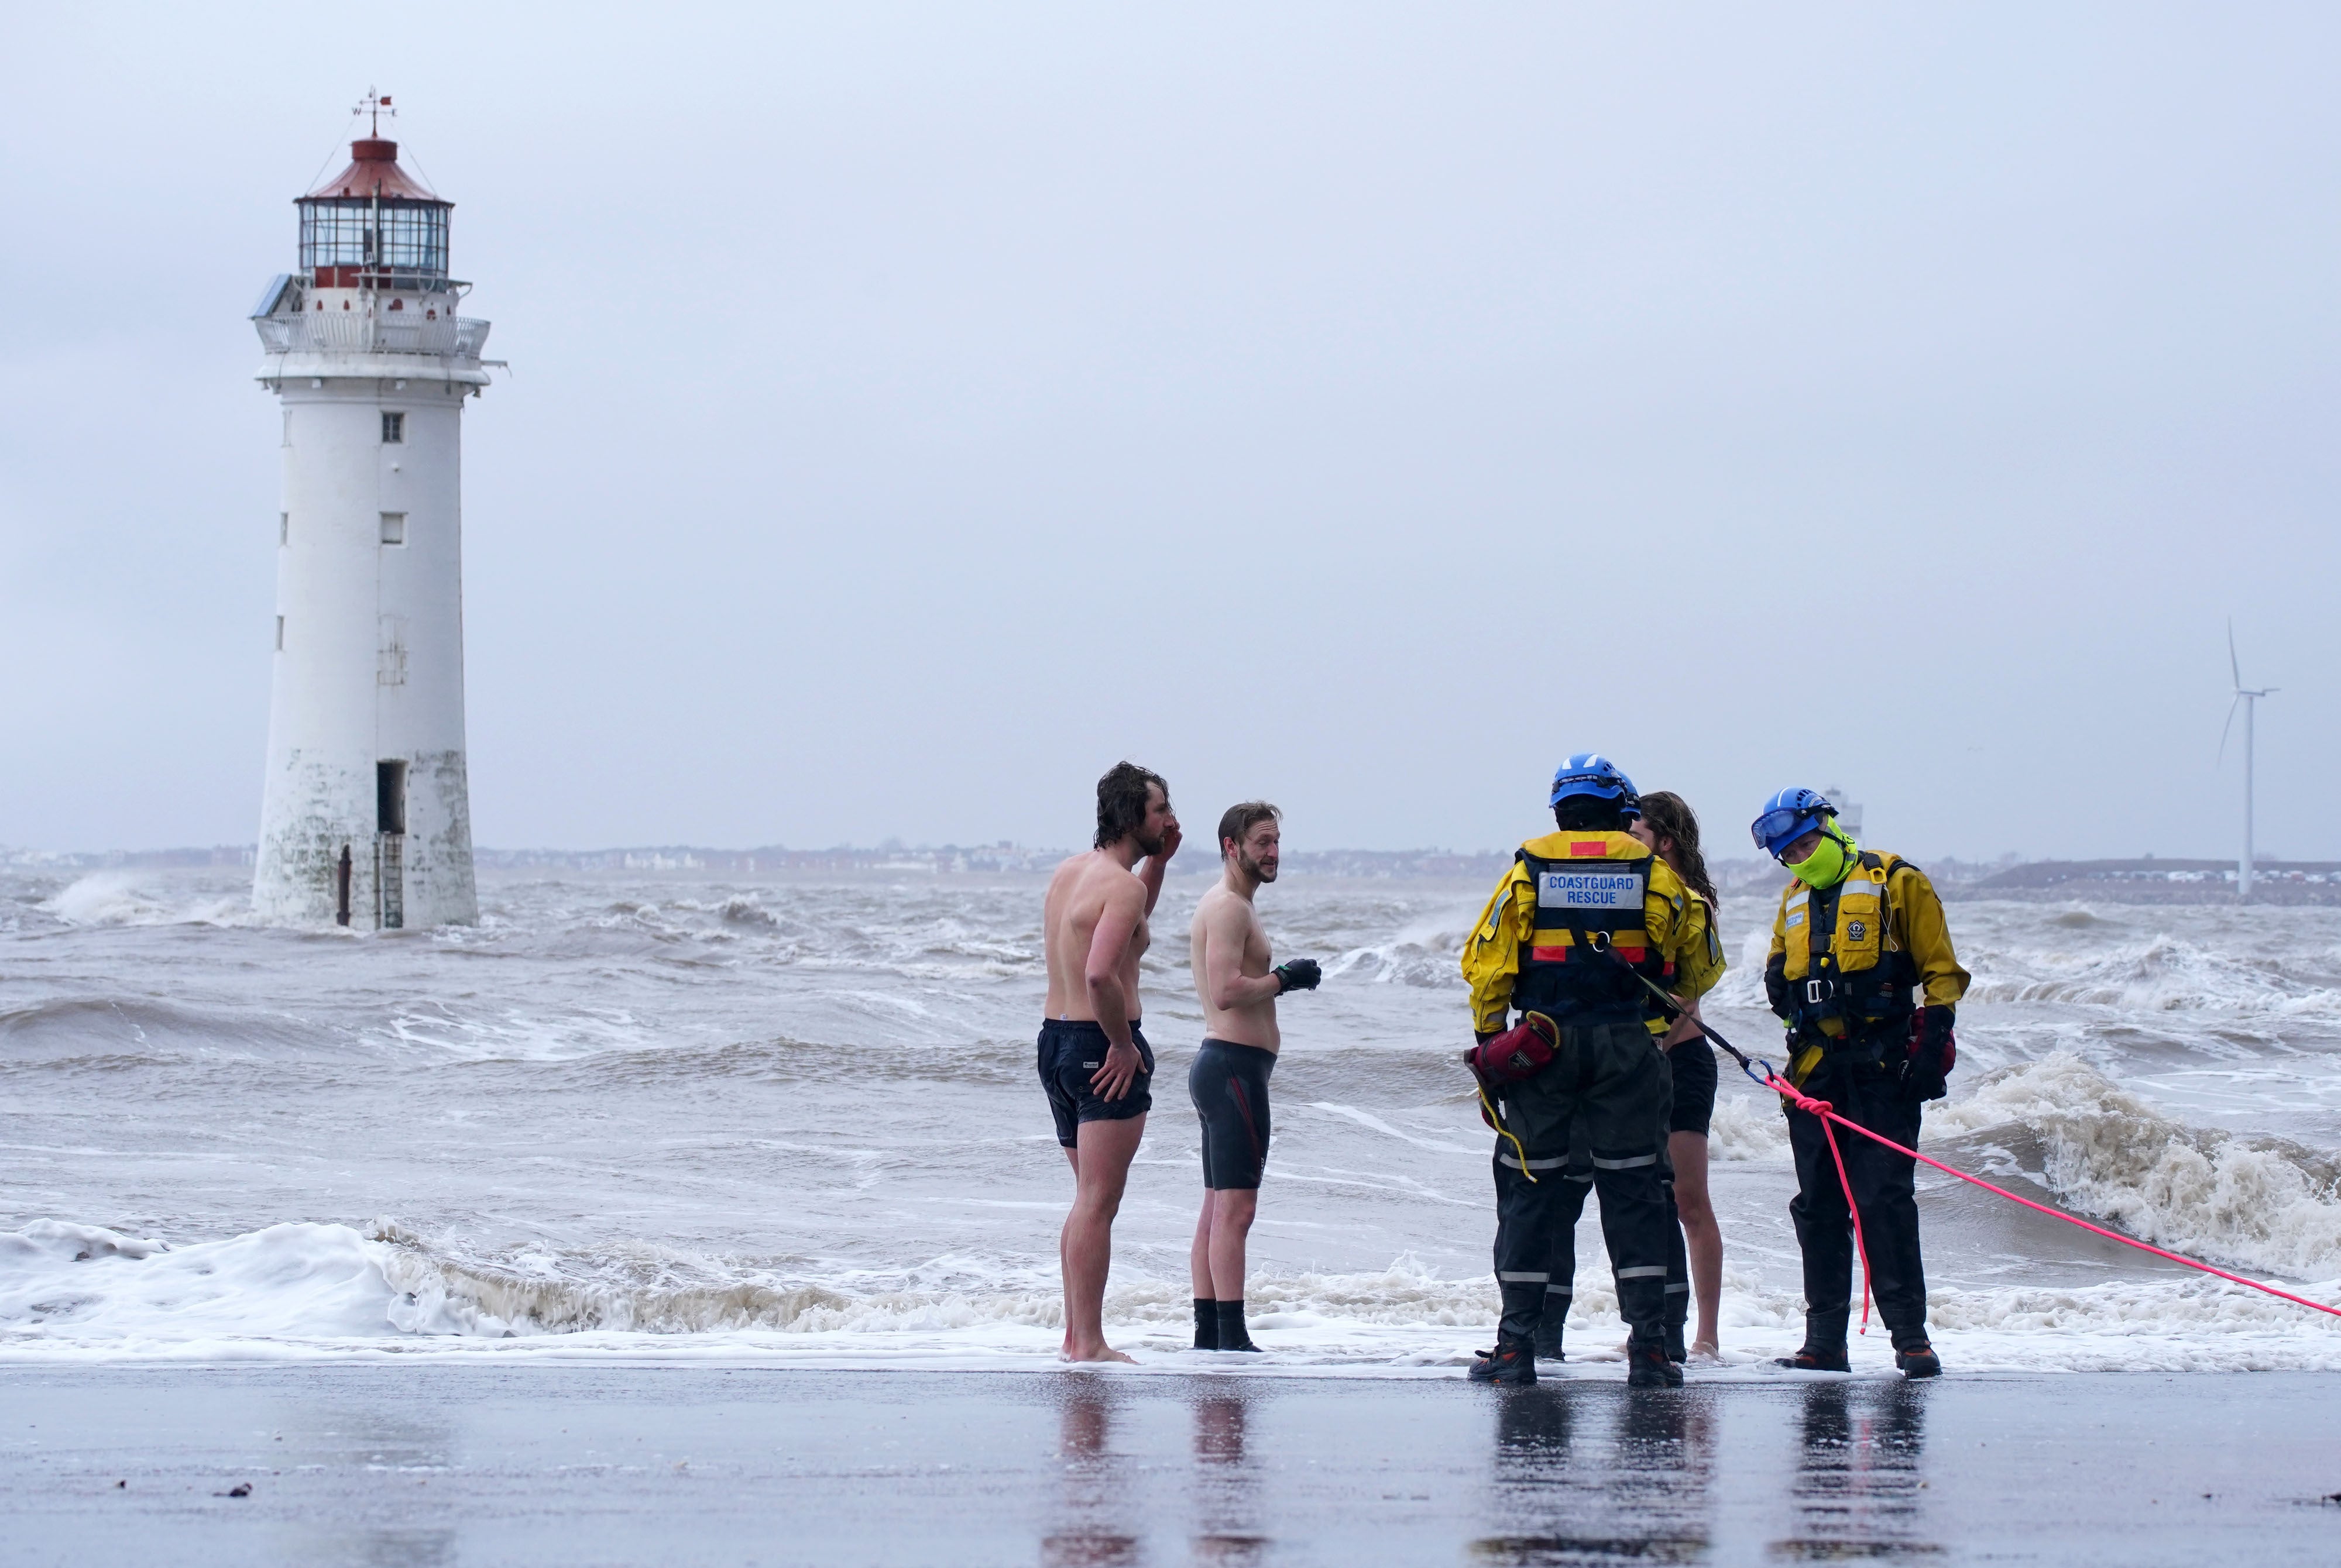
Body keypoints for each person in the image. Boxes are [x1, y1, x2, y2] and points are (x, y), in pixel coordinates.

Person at [1460, 755, 1726, 1387]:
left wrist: (1492, 1043)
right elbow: (1702, 963)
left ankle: (1514, 1347)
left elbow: (1484, 963)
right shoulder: (1652, 873)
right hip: (1627, 1049)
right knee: (1633, 1192)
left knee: (1531, 1193)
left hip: (1542, 1046)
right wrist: (1653, 1019)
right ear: (1621, 810)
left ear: (1559, 809)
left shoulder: (1527, 868)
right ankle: (1652, 1350)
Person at [1752, 787, 1969, 1379]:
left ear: (1827, 826)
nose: (1799, 856)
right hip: (1815, 1073)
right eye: (1787, 852)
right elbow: (1779, 968)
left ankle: (1911, 1339)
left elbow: (1941, 971)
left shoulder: (1898, 882)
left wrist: (1929, 1047)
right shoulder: (1793, 899)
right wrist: (1780, 981)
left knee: (1883, 1201)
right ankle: (1823, 1342)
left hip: (1882, 1069)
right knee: (1818, 1207)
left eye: (1804, 842)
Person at [1040, 761, 1182, 1363]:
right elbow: (1102, 972)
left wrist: (1160, 864)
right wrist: (1123, 1044)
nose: (1172, 820)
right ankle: (1090, 1342)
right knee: (1098, 1203)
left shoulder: (1072, 873)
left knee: (1085, 1201)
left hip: (1056, 1042)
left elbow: (1124, 927)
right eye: (1160, 810)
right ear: (1131, 816)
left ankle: (1075, 1337)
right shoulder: (1118, 886)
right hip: (1102, 1044)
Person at [1186, 801, 1321, 1354]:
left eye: (1276, 842)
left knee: (1217, 1207)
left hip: (1227, 1068)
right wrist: (1285, 978)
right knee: (1237, 1210)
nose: (1272, 852)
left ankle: (1208, 1334)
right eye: (1262, 842)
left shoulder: (1233, 905)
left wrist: (1277, 978)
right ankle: (1231, 1335)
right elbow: (1226, 990)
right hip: (1233, 1068)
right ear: (1231, 846)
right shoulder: (1229, 909)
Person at [1632, 791, 1728, 1364]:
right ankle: (1653, 1327)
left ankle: (1706, 1336)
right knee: (1641, 1199)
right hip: (1633, 1064)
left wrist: (1650, 1045)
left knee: (1688, 1200)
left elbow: (1684, 996)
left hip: (1682, 1063)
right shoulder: (1630, 897)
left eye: (1638, 837)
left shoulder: (1692, 903)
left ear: (1665, 840)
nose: (1627, 847)